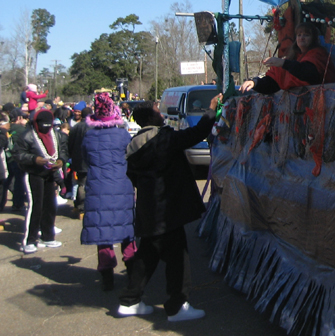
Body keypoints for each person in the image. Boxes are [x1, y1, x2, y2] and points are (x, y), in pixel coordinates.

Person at [117, 94, 222, 321]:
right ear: (150, 118)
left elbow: (133, 179)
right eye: (157, 111)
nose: (161, 114)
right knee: (178, 259)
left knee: (147, 256)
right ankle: (177, 306)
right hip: (167, 210)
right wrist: (211, 111)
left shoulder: (135, 145)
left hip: (149, 209)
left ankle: (130, 300)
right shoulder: (162, 139)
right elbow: (194, 134)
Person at [82, 92, 136, 291]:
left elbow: (86, 159)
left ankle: (107, 279)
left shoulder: (89, 137)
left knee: (102, 234)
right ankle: (132, 276)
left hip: (98, 188)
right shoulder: (122, 134)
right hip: (122, 186)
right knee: (127, 231)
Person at [13, 108, 66, 253]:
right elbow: (18, 154)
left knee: (50, 205)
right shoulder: (27, 136)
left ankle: (48, 236)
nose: (46, 128)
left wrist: (61, 161)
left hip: (50, 174)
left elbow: (62, 150)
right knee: (36, 206)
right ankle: (30, 239)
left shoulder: (56, 135)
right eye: (42, 124)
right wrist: (34, 159)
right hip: (33, 174)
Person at [241, 22, 335, 94]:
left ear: (313, 38)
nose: (302, 38)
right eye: (299, 35)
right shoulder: (293, 58)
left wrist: (283, 64)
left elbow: (309, 73)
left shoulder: (319, 54)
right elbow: (272, 84)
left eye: (306, 35)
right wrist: (255, 83)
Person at [68, 105, 91, 217]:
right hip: (89, 160)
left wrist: (72, 156)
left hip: (78, 160)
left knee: (81, 183)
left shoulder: (76, 127)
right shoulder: (93, 127)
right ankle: (82, 207)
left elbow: (70, 144)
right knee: (84, 184)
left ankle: (79, 206)